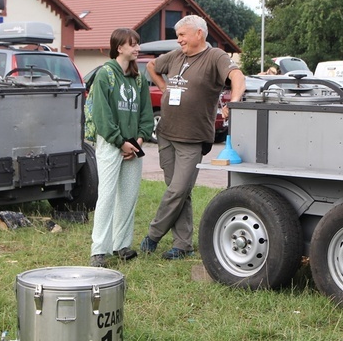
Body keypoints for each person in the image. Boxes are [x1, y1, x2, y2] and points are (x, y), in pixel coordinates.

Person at [141, 15, 245, 260]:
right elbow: (151, 66)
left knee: (177, 190)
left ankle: (153, 234)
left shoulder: (215, 57)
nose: (179, 40)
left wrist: (235, 101)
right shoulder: (176, 56)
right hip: (166, 133)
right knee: (180, 191)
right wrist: (163, 87)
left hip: (193, 138)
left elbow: (237, 76)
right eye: (178, 36)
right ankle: (182, 245)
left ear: (199, 33)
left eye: (182, 35)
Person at [89, 28, 154, 267]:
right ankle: (99, 250)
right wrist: (120, 141)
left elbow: (146, 113)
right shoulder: (105, 74)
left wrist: (138, 140)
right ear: (119, 47)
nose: (137, 48)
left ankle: (122, 245)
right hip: (110, 144)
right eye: (133, 44)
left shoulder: (138, 78)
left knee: (128, 196)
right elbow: (101, 114)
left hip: (133, 145)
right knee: (106, 196)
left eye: (138, 43)